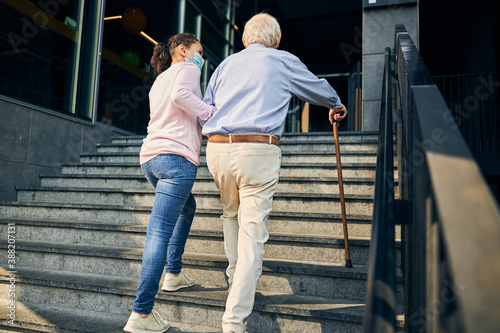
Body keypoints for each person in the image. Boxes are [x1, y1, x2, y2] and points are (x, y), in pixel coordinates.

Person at [202, 13, 347, 333]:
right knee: (253, 235)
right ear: (276, 40)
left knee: (230, 214)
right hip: (257, 148)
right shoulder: (282, 60)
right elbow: (317, 90)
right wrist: (336, 103)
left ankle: (235, 277)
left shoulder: (224, 65)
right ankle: (234, 321)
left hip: (216, 148)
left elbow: (206, 107)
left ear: (244, 40)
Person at [124, 33, 213, 333]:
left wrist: (199, 125)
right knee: (159, 232)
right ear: (183, 50)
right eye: (199, 51)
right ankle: (142, 314)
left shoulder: (161, 78)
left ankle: (173, 274)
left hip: (151, 157)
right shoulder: (188, 67)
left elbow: (174, 114)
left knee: (188, 208)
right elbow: (182, 99)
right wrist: (209, 112)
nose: (202, 57)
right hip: (176, 160)